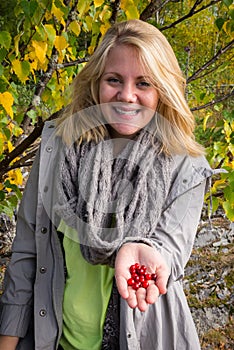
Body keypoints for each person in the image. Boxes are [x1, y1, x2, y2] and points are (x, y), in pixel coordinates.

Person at [0, 19, 219, 350]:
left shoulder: (185, 166)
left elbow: (170, 249)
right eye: (114, 80)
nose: (126, 95)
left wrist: (147, 250)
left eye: (144, 83)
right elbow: (27, 254)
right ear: (96, 83)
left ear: (163, 90)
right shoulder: (57, 149)